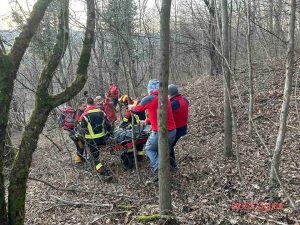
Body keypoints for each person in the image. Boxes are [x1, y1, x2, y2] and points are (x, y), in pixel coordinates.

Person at [130, 79, 176, 181]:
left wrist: (131, 107)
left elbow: (136, 110)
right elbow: (158, 113)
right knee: (164, 151)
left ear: (150, 89)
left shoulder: (149, 98)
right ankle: (171, 168)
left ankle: (159, 171)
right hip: (172, 131)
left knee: (149, 149)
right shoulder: (165, 97)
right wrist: (147, 120)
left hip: (161, 132)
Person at [79, 97, 111, 176]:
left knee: (93, 157)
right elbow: (108, 125)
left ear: (87, 104)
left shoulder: (84, 115)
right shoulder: (101, 112)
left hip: (91, 140)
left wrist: (83, 139)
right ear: (94, 103)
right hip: (103, 138)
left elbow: (82, 130)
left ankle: (103, 173)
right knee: (97, 154)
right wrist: (109, 134)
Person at [168, 84, 189, 169]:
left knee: (168, 146)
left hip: (176, 129)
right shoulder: (184, 99)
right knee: (170, 145)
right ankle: (172, 164)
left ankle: (173, 165)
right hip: (183, 128)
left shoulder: (173, 104)